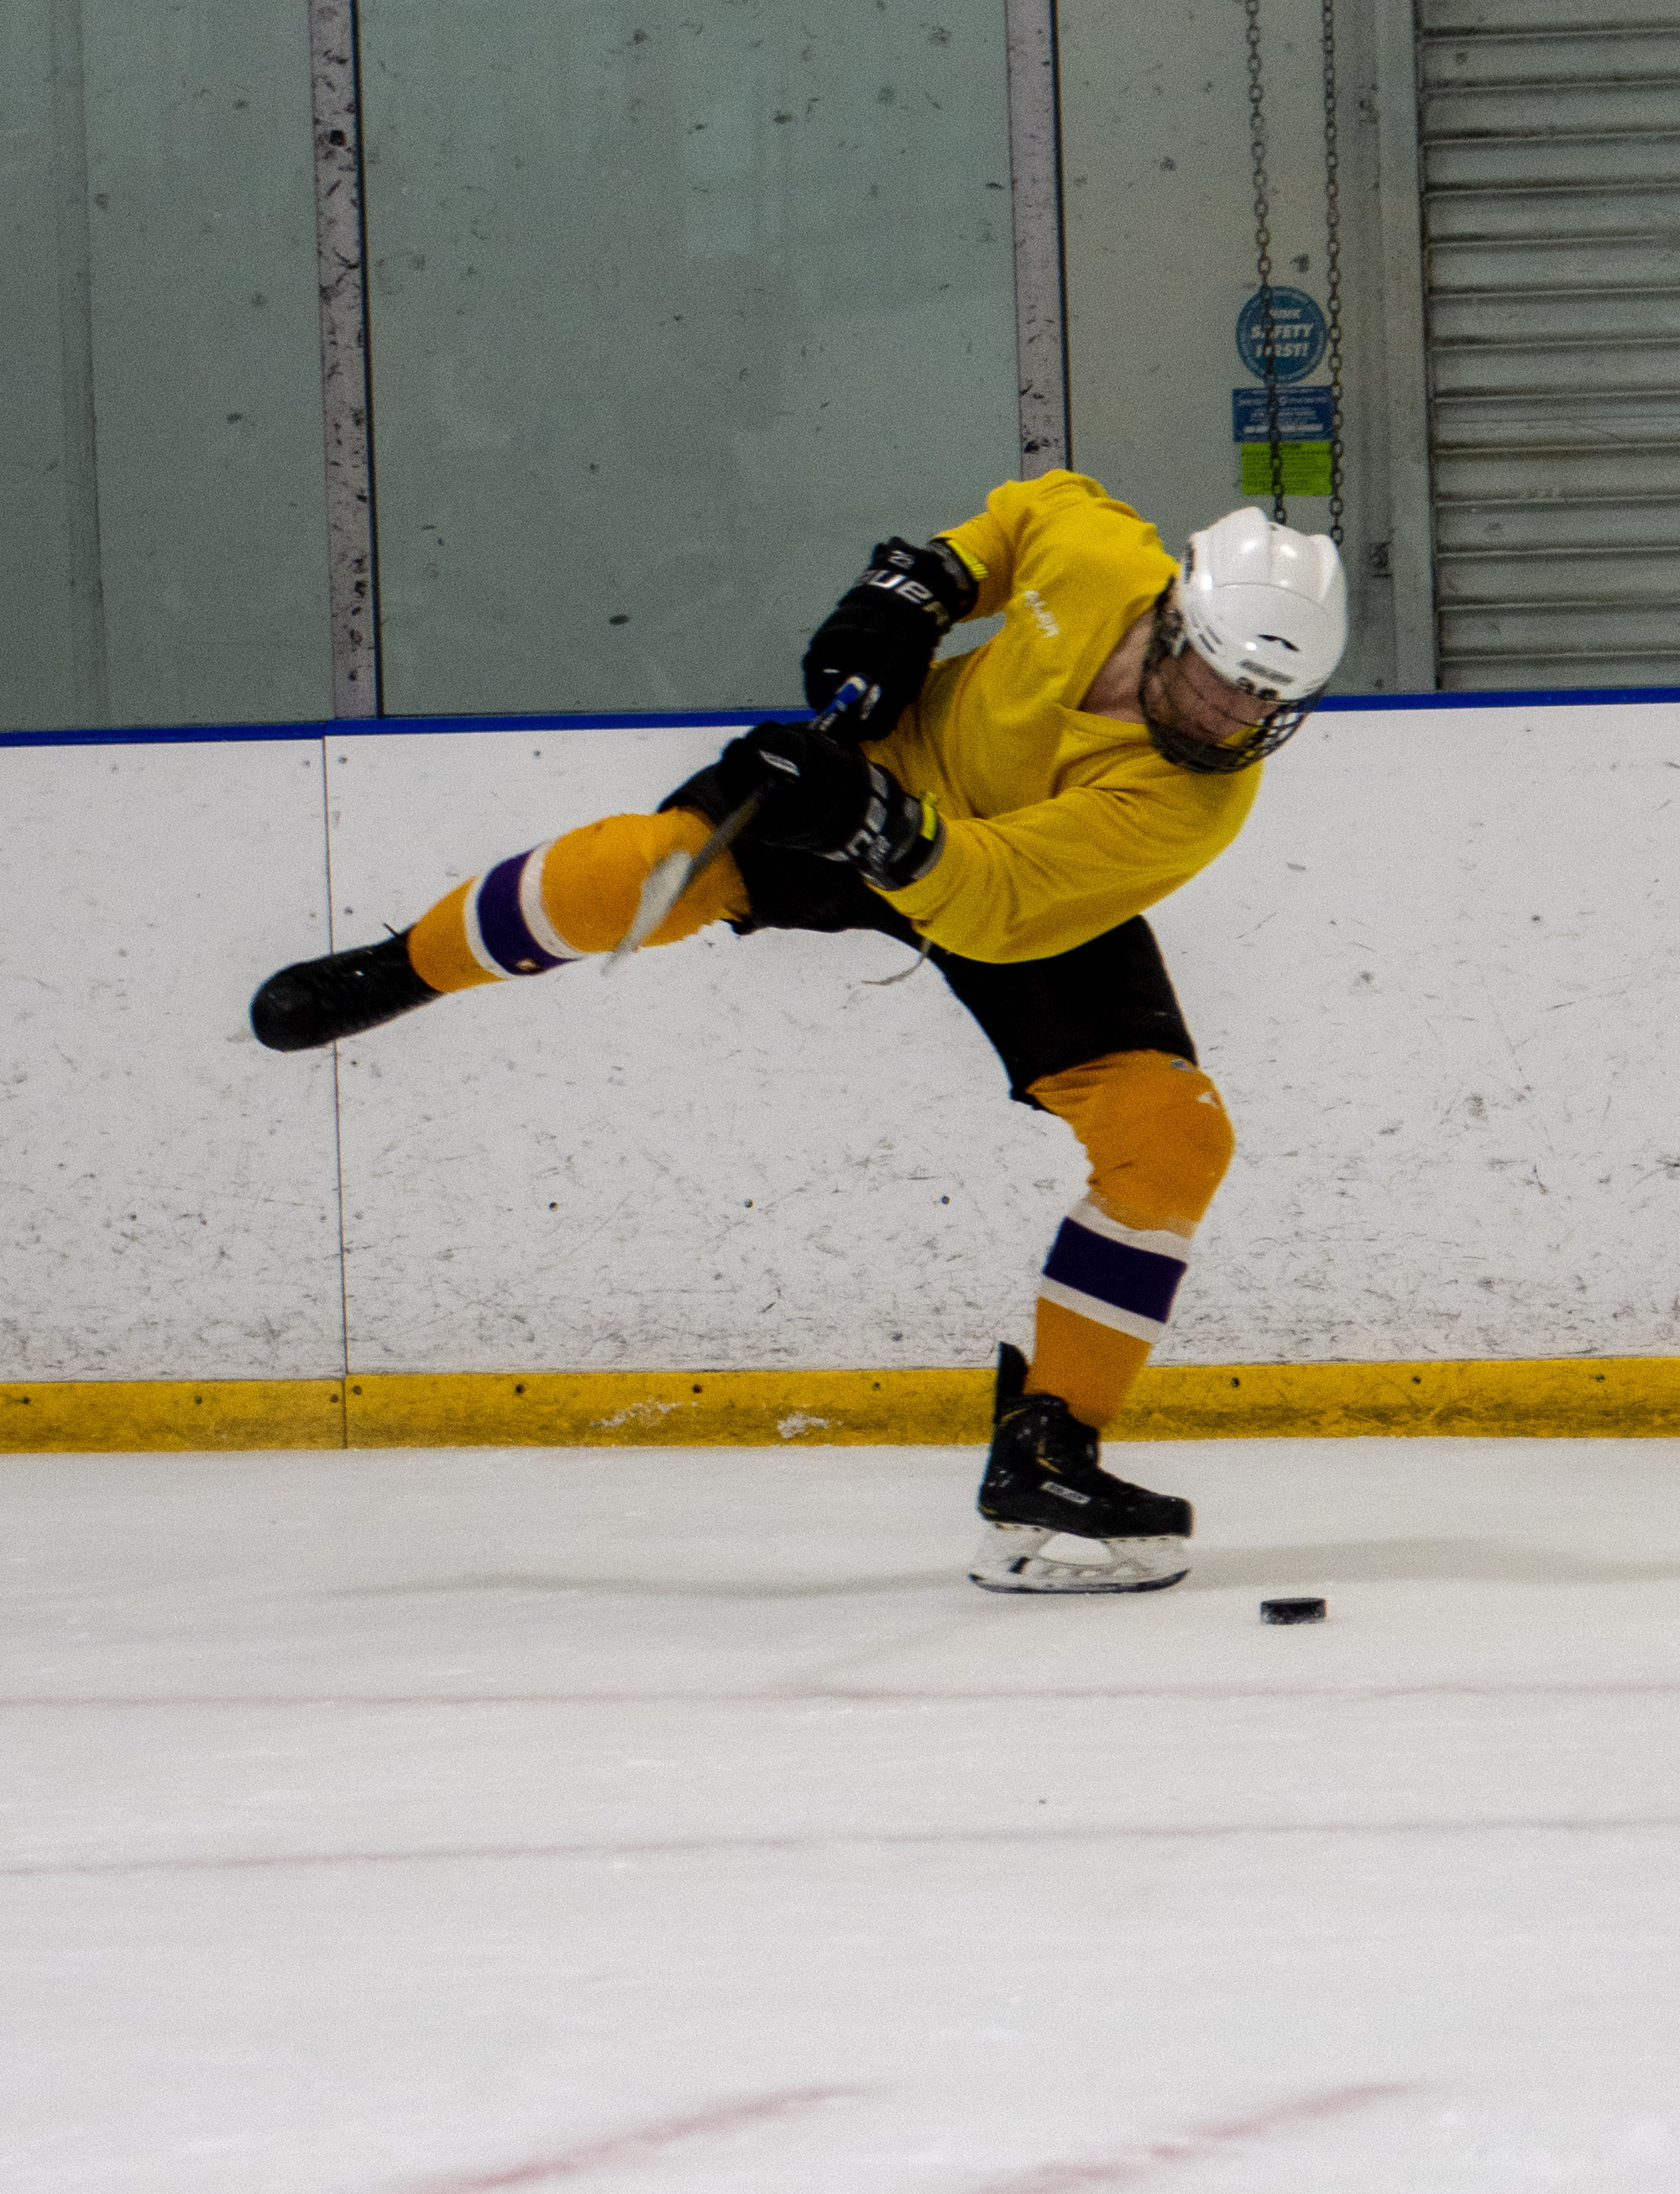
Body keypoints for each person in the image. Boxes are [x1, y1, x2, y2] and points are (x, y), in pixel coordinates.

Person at [252, 469, 1347, 1594]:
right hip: (880, 771)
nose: (1234, 720)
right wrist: (913, 592)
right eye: (1223, 680)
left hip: (1013, 885)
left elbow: (990, 900)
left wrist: (871, 824)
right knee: (648, 870)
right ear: (1172, 618)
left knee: (1170, 1138)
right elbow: (1019, 518)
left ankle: (1046, 1447)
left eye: (1269, 703)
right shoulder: (1099, 555)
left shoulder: (1195, 800)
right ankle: (402, 968)